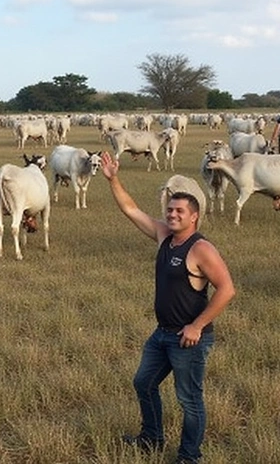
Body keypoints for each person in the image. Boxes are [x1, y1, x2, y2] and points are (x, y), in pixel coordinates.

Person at [100, 152, 235, 464]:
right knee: (143, 383)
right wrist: (113, 179)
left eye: (179, 211)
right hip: (162, 335)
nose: (172, 214)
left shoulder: (201, 248)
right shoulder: (164, 236)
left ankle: (190, 457)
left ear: (193, 217)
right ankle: (151, 439)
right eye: (170, 209)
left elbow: (227, 289)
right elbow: (130, 209)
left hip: (189, 339)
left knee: (189, 400)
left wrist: (198, 326)